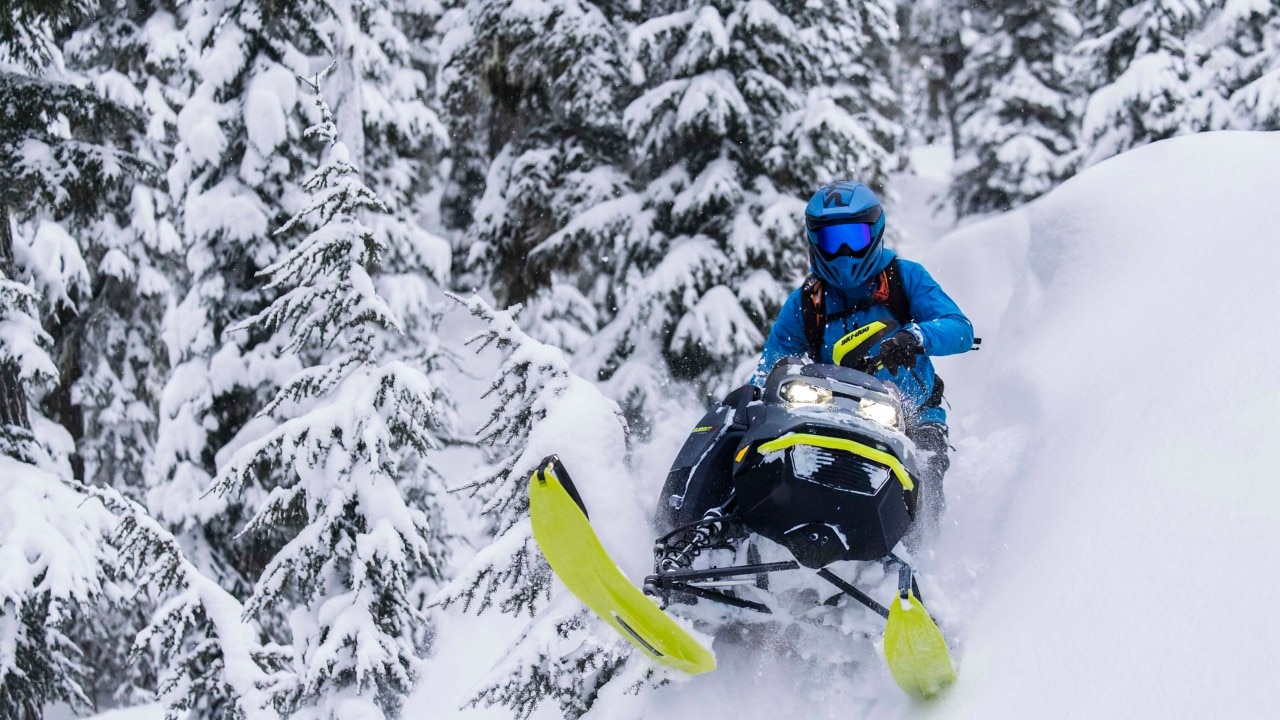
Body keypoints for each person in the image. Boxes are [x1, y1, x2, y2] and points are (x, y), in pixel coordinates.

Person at [657, 180, 974, 544]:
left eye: (853, 238)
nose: (842, 252)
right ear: (813, 242)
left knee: (924, 487)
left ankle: (918, 568)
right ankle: (698, 529)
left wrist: (915, 338)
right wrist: (761, 397)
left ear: (874, 233)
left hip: (909, 417)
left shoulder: (905, 278)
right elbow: (771, 367)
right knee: (742, 418)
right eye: (830, 240)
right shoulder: (807, 301)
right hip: (830, 414)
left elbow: (959, 329)